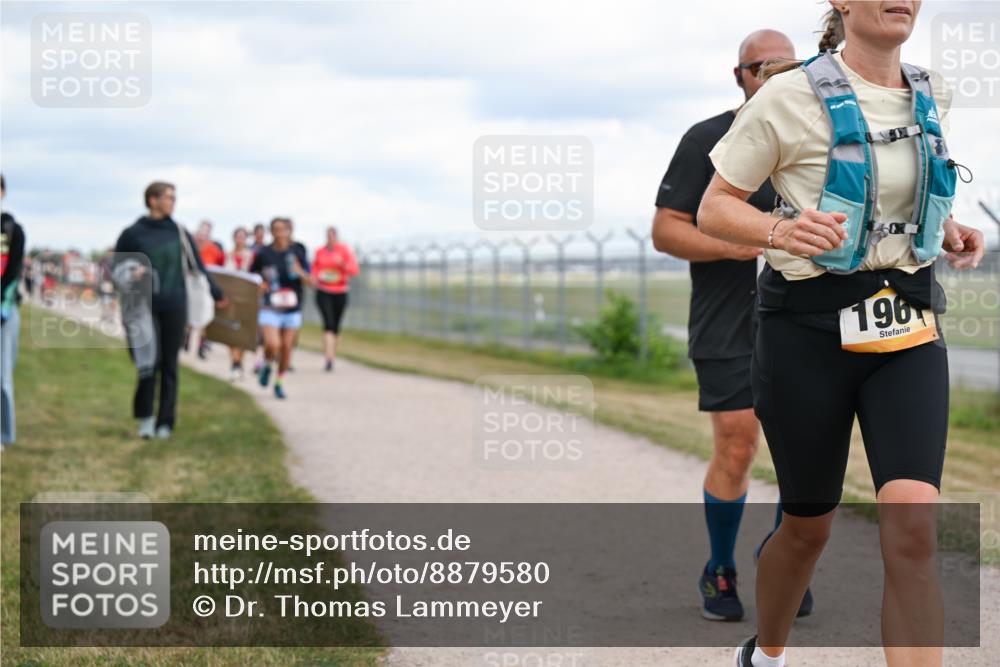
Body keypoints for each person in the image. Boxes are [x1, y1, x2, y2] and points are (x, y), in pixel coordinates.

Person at [696, 4, 986, 666]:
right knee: (806, 527)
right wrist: (779, 230)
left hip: (906, 319)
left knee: (913, 525)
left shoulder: (931, 91)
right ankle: (767, 650)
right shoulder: (786, 96)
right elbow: (713, 206)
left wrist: (944, 225)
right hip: (805, 330)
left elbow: (899, 187)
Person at [652, 29, 811, 623]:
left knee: (801, 451)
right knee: (740, 442)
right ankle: (720, 566)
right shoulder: (706, 139)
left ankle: (786, 562)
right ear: (738, 75)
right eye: (758, 67)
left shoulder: (813, 133)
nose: (772, 75)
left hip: (801, 318)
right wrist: (736, 244)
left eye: (786, 65)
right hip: (727, 322)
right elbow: (666, 230)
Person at [114, 182, 225, 439]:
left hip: (175, 304)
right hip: (142, 306)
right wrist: (133, 271)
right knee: (147, 363)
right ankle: (145, 419)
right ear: (152, 200)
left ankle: (166, 422)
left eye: (174, 198)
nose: (173, 202)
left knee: (170, 365)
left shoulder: (179, 232)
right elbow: (117, 267)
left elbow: (198, 267)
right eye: (168, 197)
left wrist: (217, 293)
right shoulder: (133, 233)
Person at [250, 217, 311, 399]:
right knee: (272, 344)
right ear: (271, 232)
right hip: (270, 306)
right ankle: (268, 364)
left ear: (289, 231)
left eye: (283, 229)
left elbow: (310, 280)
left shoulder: (298, 251)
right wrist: (260, 285)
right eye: (275, 229)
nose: (279, 233)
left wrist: (300, 272)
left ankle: (279, 382)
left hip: (292, 307)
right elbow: (253, 276)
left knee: (286, 347)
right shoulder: (264, 253)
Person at [312, 226, 359, 371]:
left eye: (333, 235)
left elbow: (354, 270)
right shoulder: (319, 252)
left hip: (340, 292)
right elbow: (314, 270)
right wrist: (316, 276)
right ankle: (328, 359)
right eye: (328, 235)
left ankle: (332, 354)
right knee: (328, 324)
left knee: (336, 327)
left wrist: (342, 264)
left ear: (336, 236)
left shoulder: (344, 251)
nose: (330, 238)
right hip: (324, 291)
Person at [1, 174, 26, 448]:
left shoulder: (11, 228)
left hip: (3, 309)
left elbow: (13, 272)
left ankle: (3, 434)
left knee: (2, 375)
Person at [225, 226, 255, 381]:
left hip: (246, 298)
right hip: (231, 298)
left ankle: (238, 362)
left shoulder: (251, 256)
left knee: (242, 332)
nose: (240, 239)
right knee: (231, 332)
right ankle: (234, 362)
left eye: (243, 237)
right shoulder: (227, 255)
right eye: (238, 236)